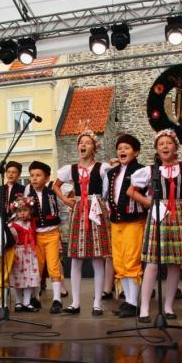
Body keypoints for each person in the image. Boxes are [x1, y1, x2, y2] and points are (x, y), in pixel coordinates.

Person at [128, 129, 182, 322]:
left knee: (174, 264)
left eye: (169, 143)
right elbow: (131, 191)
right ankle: (145, 307)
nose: (165, 146)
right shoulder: (151, 171)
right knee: (153, 263)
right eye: (161, 143)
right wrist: (150, 203)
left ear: (175, 147)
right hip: (158, 214)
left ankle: (168, 306)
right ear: (156, 149)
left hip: (179, 214)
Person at [53, 130, 112, 316]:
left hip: (95, 209)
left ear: (94, 148)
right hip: (79, 209)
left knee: (97, 258)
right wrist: (65, 199)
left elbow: (107, 191)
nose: (83, 145)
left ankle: (97, 303)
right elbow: (55, 185)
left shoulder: (102, 168)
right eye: (81, 142)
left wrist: (103, 206)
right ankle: (75, 302)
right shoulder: (70, 169)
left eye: (87, 142)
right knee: (76, 258)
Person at [106, 133, 147, 318]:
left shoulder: (141, 170)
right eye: (119, 148)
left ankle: (133, 302)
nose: (122, 151)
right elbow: (109, 195)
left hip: (134, 220)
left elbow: (147, 195)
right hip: (116, 222)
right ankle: (128, 300)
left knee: (131, 260)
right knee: (119, 262)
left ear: (136, 152)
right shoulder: (112, 173)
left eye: (127, 148)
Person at [24, 160, 66, 314]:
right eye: (32, 175)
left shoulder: (52, 192)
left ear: (47, 178)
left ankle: (57, 299)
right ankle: (35, 298)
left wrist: (57, 224)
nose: (34, 178)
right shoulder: (28, 194)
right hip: (36, 236)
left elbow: (62, 209)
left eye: (38, 175)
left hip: (52, 234)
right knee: (37, 267)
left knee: (53, 266)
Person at [8, 197, 41, 312]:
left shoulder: (31, 223)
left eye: (25, 210)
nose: (22, 213)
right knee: (18, 278)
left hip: (30, 253)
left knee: (29, 278)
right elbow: (12, 242)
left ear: (30, 211)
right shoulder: (13, 225)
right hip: (19, 253)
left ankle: (26, 302)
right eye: (19, 211)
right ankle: (18, 302)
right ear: (16, 212)